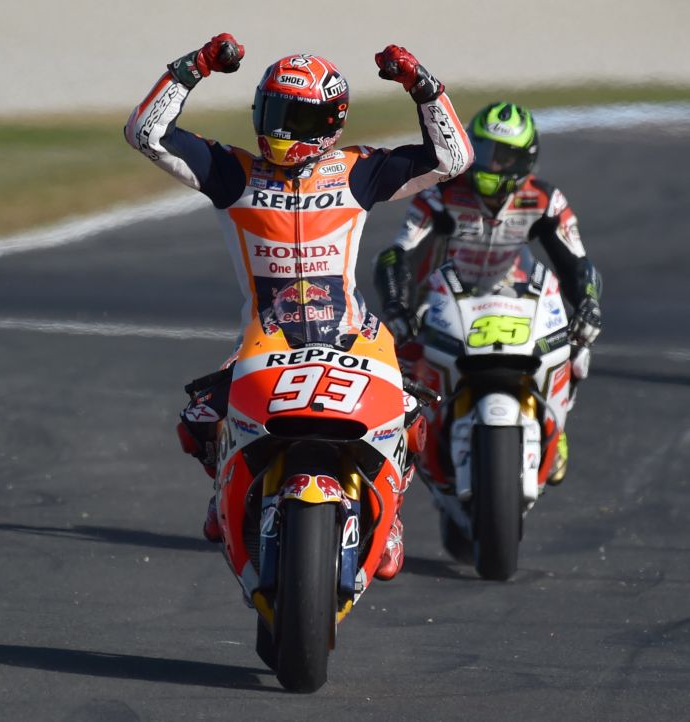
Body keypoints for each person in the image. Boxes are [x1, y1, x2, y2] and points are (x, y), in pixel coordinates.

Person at [124, 34, 473, 580]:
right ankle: (227, 487)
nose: (282, 131)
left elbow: (454, 158)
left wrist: (422, 86)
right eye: (274, 113)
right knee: (198, 422)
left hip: (351, 333)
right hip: (267, 337)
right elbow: (145, 133)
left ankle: (391, 516)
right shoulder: (232, 172)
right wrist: (194, 67)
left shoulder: (358, 171)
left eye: (298, 118)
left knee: (409, 413)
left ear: (331, 124)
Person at [373, 101, 602, 483]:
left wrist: (589, 304)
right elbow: (399, 254)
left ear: (523, 160)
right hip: (444, 302)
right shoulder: (440, 195)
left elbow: (577, 263)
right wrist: (398, 304)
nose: (487, 163)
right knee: (395, 361)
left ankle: (555, 427)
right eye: (479, 148)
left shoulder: (546, 200)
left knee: (578, 348)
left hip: (519, 300)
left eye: (500, 155)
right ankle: (404, 448)